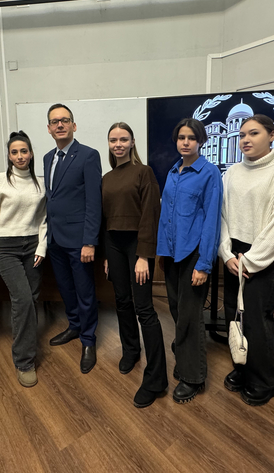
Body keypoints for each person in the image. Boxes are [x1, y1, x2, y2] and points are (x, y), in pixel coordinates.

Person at [218, 115, 274, 406]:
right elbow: (221, 216)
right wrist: (226, 253)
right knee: (234, 315)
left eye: (253, 133)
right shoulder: (231, 172)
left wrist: (251, 262)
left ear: (272, 135)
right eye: (242, 135)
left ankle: (266, 380)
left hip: (261, 255)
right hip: (233, 254)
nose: (246, 140)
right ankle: (243, 367)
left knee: (255, 318)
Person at [102, 122, 168, 408]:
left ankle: (156, 380)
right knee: (121, 301)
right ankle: (131, 350)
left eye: (123, 139)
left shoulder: (144, 172)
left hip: (137, 247)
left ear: (132, 143)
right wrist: (107, 255)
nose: (118, 144)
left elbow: (151, 215)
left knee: (144, 309)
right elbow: (106, 219)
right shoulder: (106, 178)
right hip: (113, 245)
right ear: (109, 144)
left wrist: (143, 256)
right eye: (113, 140)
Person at [157, 118, 222, 404]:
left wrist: (204, 264)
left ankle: (193, 377)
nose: (185, 142)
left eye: (191, 138)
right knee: (176, 310)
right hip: (172, 253)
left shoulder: (209, 173)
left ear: (201, 141)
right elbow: (166, 216)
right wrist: (162, 252)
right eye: (181, 137)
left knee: (190, 315)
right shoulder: (174, 171)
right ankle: (185, 360)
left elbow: (212, 220)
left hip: (194, 254)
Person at [43, 103, 102, 374]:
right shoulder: (47, 158)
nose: (60, 125)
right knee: (66, 289)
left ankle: (88, 340)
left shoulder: (88, 155)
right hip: (55, 238)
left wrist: (89, 241)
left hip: (79, 241)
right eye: (55, 121)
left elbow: (93, 202)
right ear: (49, 128)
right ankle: (75, 326)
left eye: (65, 120)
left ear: (74, 125)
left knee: (85, 292)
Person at [0, 131, 47, 388]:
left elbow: (43, 219)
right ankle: (24, 361)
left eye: (24, 151)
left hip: (33, 246)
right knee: (22, 299)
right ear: (9, 156)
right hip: (6, 247)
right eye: (14, 152)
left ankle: (26, 344)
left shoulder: (41, 183)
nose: (20, 156)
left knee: (31, 299)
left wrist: (42, 246)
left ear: (31, 154)